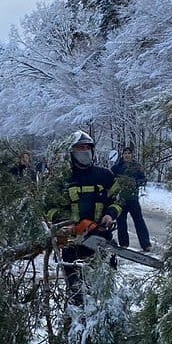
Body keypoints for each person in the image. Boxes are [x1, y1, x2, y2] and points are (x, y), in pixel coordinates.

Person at [46, 131, 123, 307]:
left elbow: (118, 200)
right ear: (72, 152)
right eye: (80, 148)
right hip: (72, 241)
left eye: (87, 148)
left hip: (102, 237)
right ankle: (77, 320)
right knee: (76, 292)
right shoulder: (62, 179)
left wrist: (110, 214)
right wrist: (70, 223)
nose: (85, 152)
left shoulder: (105, 176)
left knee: (105, 290)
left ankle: (106, 317)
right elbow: (49, 208)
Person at [111, 146, 152, 251]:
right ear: (122, 155)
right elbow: (110, 180)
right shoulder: (116, 168)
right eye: (125, 153)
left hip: (133, 198)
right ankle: (123, 244)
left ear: (132, 155)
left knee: (139, 221)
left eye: (129, 153)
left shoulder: (137, 167)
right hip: (120, 200)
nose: (127, 155)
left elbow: (143, 179)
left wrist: (136, 183)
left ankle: (146, 244)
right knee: (121, 222)